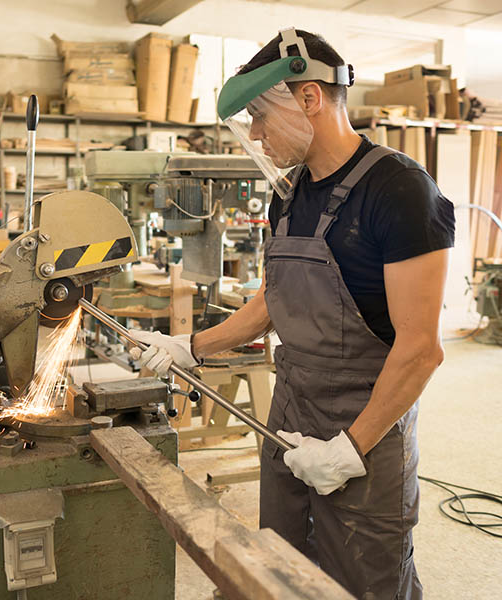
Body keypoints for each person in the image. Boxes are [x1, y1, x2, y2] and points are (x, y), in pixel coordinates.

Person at [130, 28, 455, 599]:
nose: (254, 134)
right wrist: (191, 347)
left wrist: (350, 448)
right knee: (277, 569)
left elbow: (420, 349)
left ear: (309, 97)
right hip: (289, 410)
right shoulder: (288, 194)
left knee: (365, 581)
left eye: (258, 116)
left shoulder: (400, 191)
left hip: (367, 422)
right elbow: (272, 299)